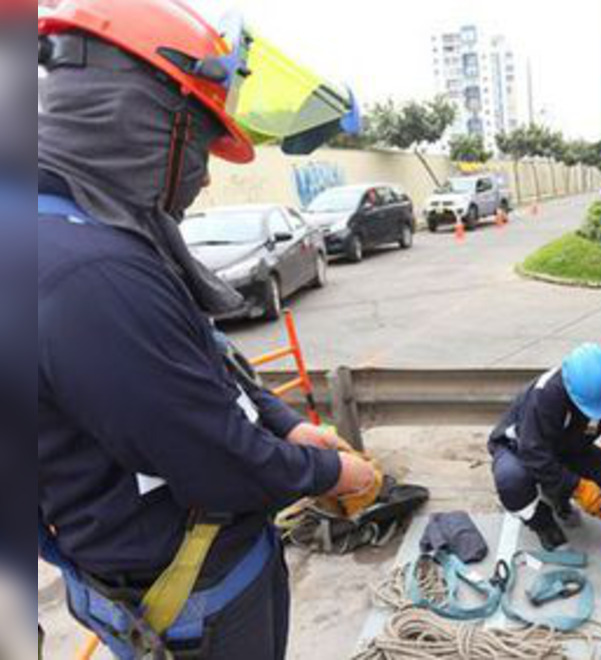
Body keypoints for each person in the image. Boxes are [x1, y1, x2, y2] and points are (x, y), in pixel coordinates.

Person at [37, 1, 376, 658]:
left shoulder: (89, 229)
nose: (204, 173)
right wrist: (333, 473)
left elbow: (202, 363)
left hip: (184, 578)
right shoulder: (90, 274)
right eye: (196, 143)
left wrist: (284, 424)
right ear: (137, 116)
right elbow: (219, 463)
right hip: (192, 604)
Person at [489, 344, 601, 550]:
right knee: (512, 481)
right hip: (520, 449)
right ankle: (541, 521)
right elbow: (533, 452)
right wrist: (579, 487)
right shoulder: (545, 395)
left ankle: (557, 497)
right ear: (570, 391)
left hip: (566, 448)